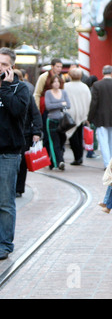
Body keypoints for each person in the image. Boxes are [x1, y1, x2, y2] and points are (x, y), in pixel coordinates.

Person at [0, 47, 30, 260]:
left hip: (8, 153)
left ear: (11, 66)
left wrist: (5, 88)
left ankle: (4, 244)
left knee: (4, 201)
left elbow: (17, 111)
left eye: (3, 64)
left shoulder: (20, 88)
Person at [88, 65, 112, 168]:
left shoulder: (97, 85)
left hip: (100, 116)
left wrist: (89, 118)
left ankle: (107, 163)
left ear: (102, 72)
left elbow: (94, 103)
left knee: (103, 141)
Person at [14, 69, 42, 198]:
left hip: (25, 133)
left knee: (22, 162)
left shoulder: (26, 94)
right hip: (20, 133)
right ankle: (16, 187)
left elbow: (35, 114)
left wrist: (36, 132)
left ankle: (19, 188)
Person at [64, 68, 91, 166]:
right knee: (80, 135)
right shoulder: (85, 87)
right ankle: (79, 156)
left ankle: (77, 157)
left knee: (73, 137)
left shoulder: (66, 86)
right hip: (82, 114)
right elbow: (89, 101)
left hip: (70, 115)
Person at [45, 75, 71, 170]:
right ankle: (60, 161)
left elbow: (68, 105)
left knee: (62, 140)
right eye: (54, 82)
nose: (56, 83)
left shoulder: (63, 92)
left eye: (58, 82)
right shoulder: (48, 93)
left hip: (62, 121)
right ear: (51, 83)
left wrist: (56, 105)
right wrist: (61, 104)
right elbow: (48, 106)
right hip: (52, 120)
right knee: (54, 142)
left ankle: (52, 162)